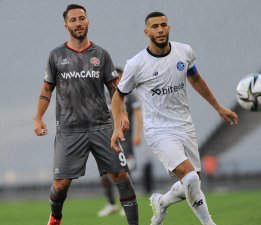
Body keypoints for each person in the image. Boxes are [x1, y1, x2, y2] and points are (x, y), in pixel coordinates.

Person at [111, 12, 238, 225]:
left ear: (168, 28)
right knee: (190, 177)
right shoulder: (136, 64)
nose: (160, 29)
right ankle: (209, 223)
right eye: (155, 26)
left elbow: (195, 78)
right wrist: (117, 125)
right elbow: (118, 96)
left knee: (193, 181)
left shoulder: (184, 51)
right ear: (147, 32)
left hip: (185, 125)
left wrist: (218, 107)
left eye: (163, 25)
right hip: (159, 130)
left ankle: (161, 202)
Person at [34, 4, 138, 225]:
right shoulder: (56, 56)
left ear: (88, 22)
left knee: (121, 176)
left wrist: (123, 114)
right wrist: (38, 118)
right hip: (69, 130)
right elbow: (46, 90)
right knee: (61, 185)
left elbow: (115, 90)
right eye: (73, 20)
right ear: (66, 25)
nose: (78, 23)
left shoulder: (101, 55)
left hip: (102, 126)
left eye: (82, 18)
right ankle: (55, 215)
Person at [97, 67, 143, 217]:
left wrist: (137, 134)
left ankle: (129, 202)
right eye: (114, 78)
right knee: (105, 173)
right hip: (106, 139)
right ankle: (111, 204)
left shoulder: (130, 95)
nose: (116, 80)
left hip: (126, 140)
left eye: (119, 77)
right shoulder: (104, 95)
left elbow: (137, 114)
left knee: (126, 171)